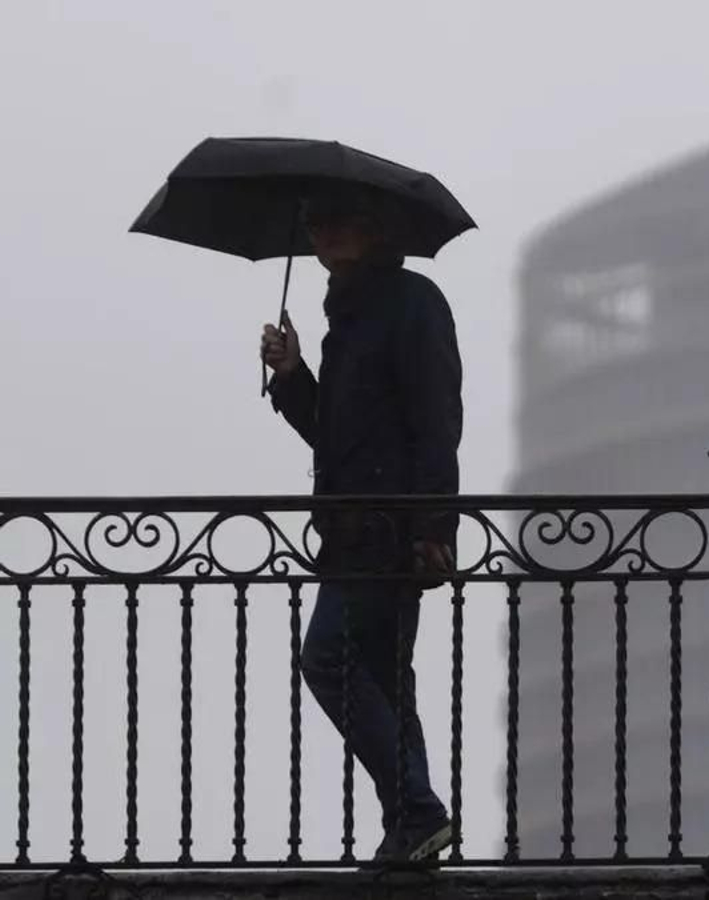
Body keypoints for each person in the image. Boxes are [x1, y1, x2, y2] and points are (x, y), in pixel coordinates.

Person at [260, 185, 463, 863]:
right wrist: (292, 376)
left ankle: (418, 810)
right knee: (382, 676)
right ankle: (414, 833)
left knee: (328, 658)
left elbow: (437, 419)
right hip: (355, 530)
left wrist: (434, 524)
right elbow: (336, 434)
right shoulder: (345, 319)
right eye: (315, 221)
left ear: (375, 230)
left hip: (389, 528)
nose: (325, 232)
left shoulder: (411, 303)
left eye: (340, 220)